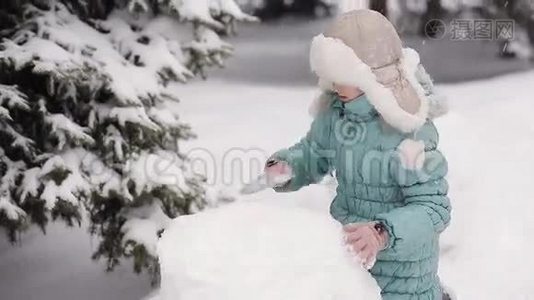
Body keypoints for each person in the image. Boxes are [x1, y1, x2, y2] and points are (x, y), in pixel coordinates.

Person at [264, 9, 452, 300]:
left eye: (343, 76)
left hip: (403, 281)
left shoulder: (409, 132)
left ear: (369, 76)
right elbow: (314, 153)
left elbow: (433, 209)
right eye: (332, 76)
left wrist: (381, 232)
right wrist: (290, 166)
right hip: (351, 268)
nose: (336, 84)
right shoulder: (336, 116)